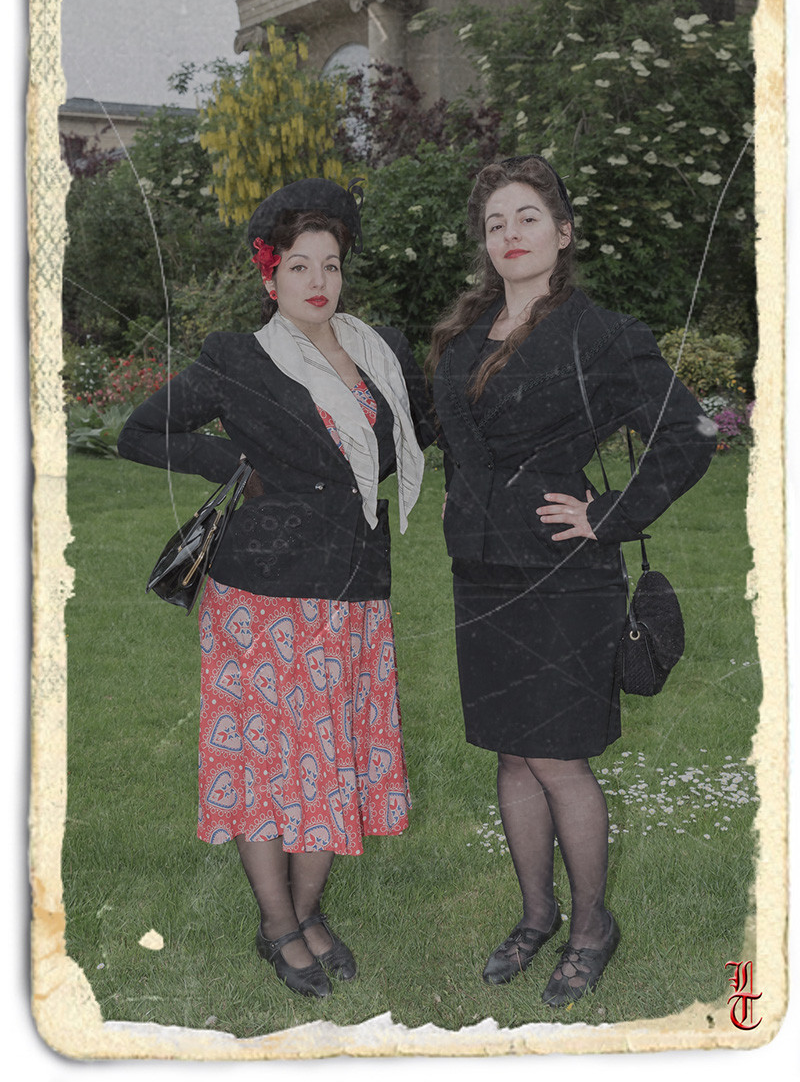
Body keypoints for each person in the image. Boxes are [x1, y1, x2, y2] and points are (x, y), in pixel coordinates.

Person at [118, 177, 434, 999]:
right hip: (261, 599)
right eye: (300, 266)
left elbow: (418, 434)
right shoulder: (238, 358)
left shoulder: (380, 354)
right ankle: (277, 925)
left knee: (333, 758)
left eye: (331, 265)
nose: (318, 281)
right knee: (267, 764)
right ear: (272, 277)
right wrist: (232, 463)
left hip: (354, 588)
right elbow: (139, 431)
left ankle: (307, 911)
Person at [428, 155, 717, 1007]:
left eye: (527, 218)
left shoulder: (603, 335)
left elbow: (690, 431)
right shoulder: (466, 332)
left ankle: (592, 926)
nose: (509, 235)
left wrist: (612, 513)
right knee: (513, 753)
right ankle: (536, 914)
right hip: (481, 574)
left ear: (562, 233)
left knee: (558, 758)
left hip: (562, 576)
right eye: (495, 224)